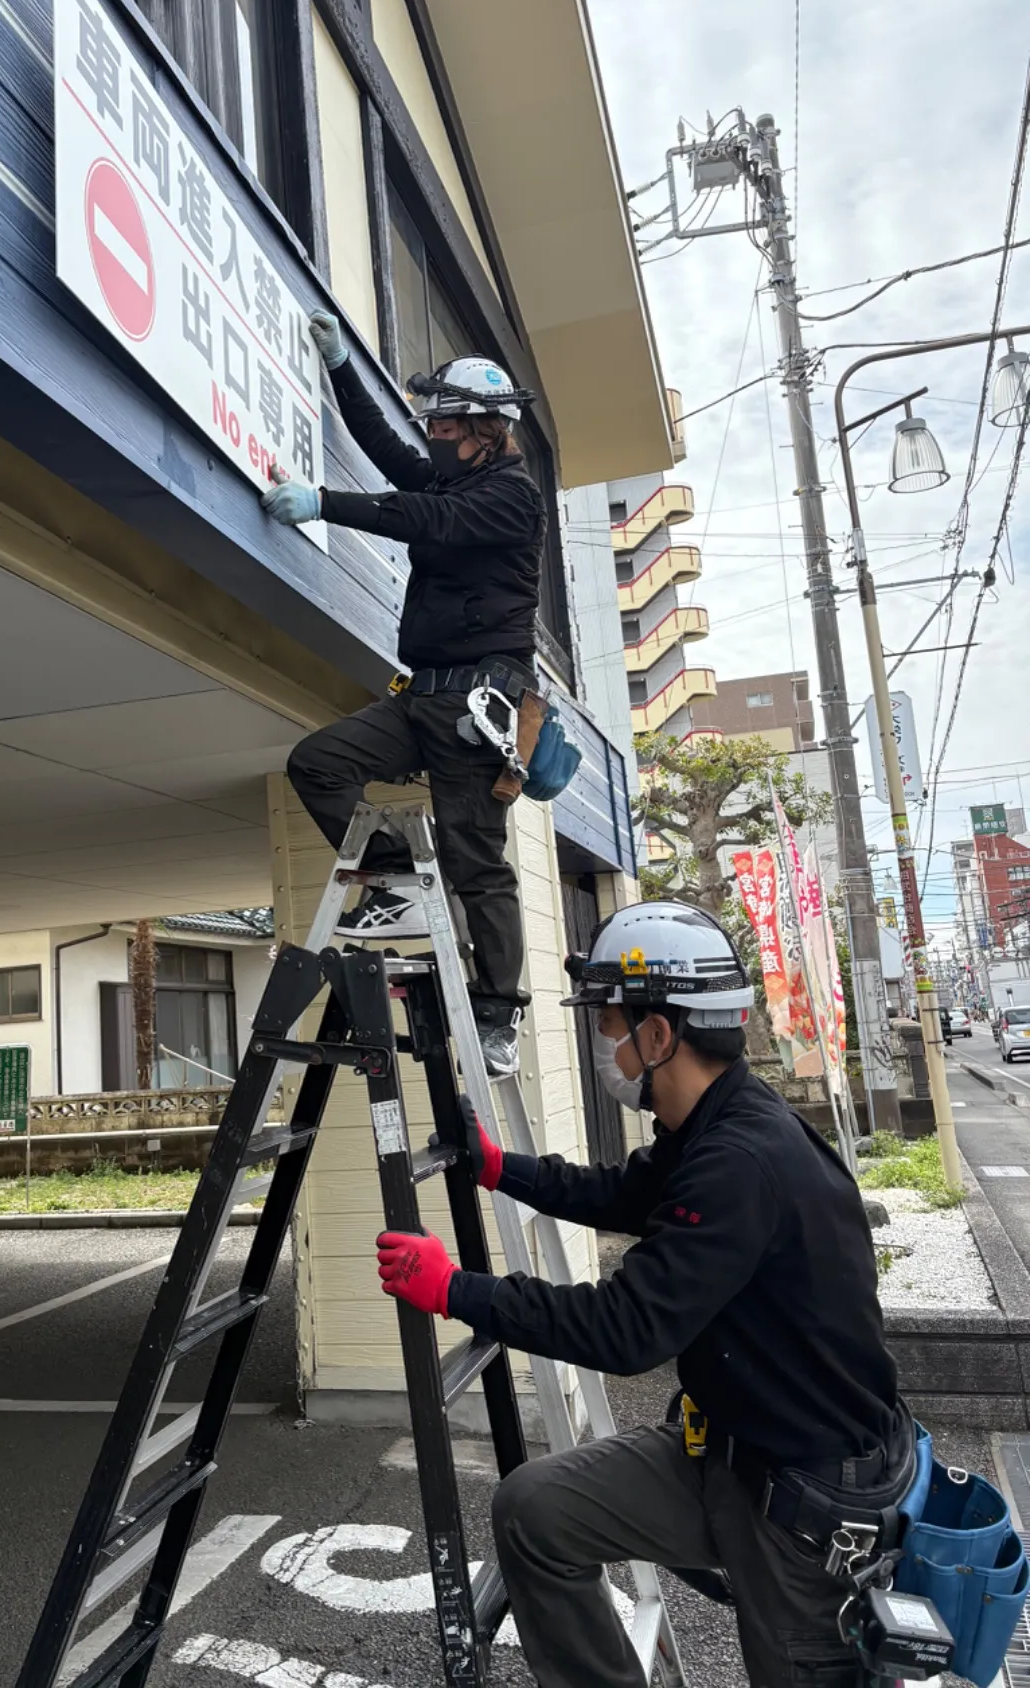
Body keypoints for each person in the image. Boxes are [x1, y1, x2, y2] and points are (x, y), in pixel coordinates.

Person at [374, 900, 911, 1688]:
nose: (605, 1045)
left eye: (610, 1024)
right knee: (534, 1514)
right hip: (728, 1451)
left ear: (659, 1035)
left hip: (803, 1499)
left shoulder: (740, 1161)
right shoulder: (710, 1122)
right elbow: (625, 1192)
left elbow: (625, 1330)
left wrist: (456, 1289)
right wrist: (501, 1168)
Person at [261, 307, 545, 1074]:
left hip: (479, 709)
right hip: (423, 697)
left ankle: (498, 1018)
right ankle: (393, 881)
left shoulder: (509, 496)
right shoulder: (457, 473)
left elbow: (424, 515)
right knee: (317, 763)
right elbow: (387, 451)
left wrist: (322, 502)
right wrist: (342, 368)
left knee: (475, 860)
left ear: (486, 430)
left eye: (447, 428)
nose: (434, 438)